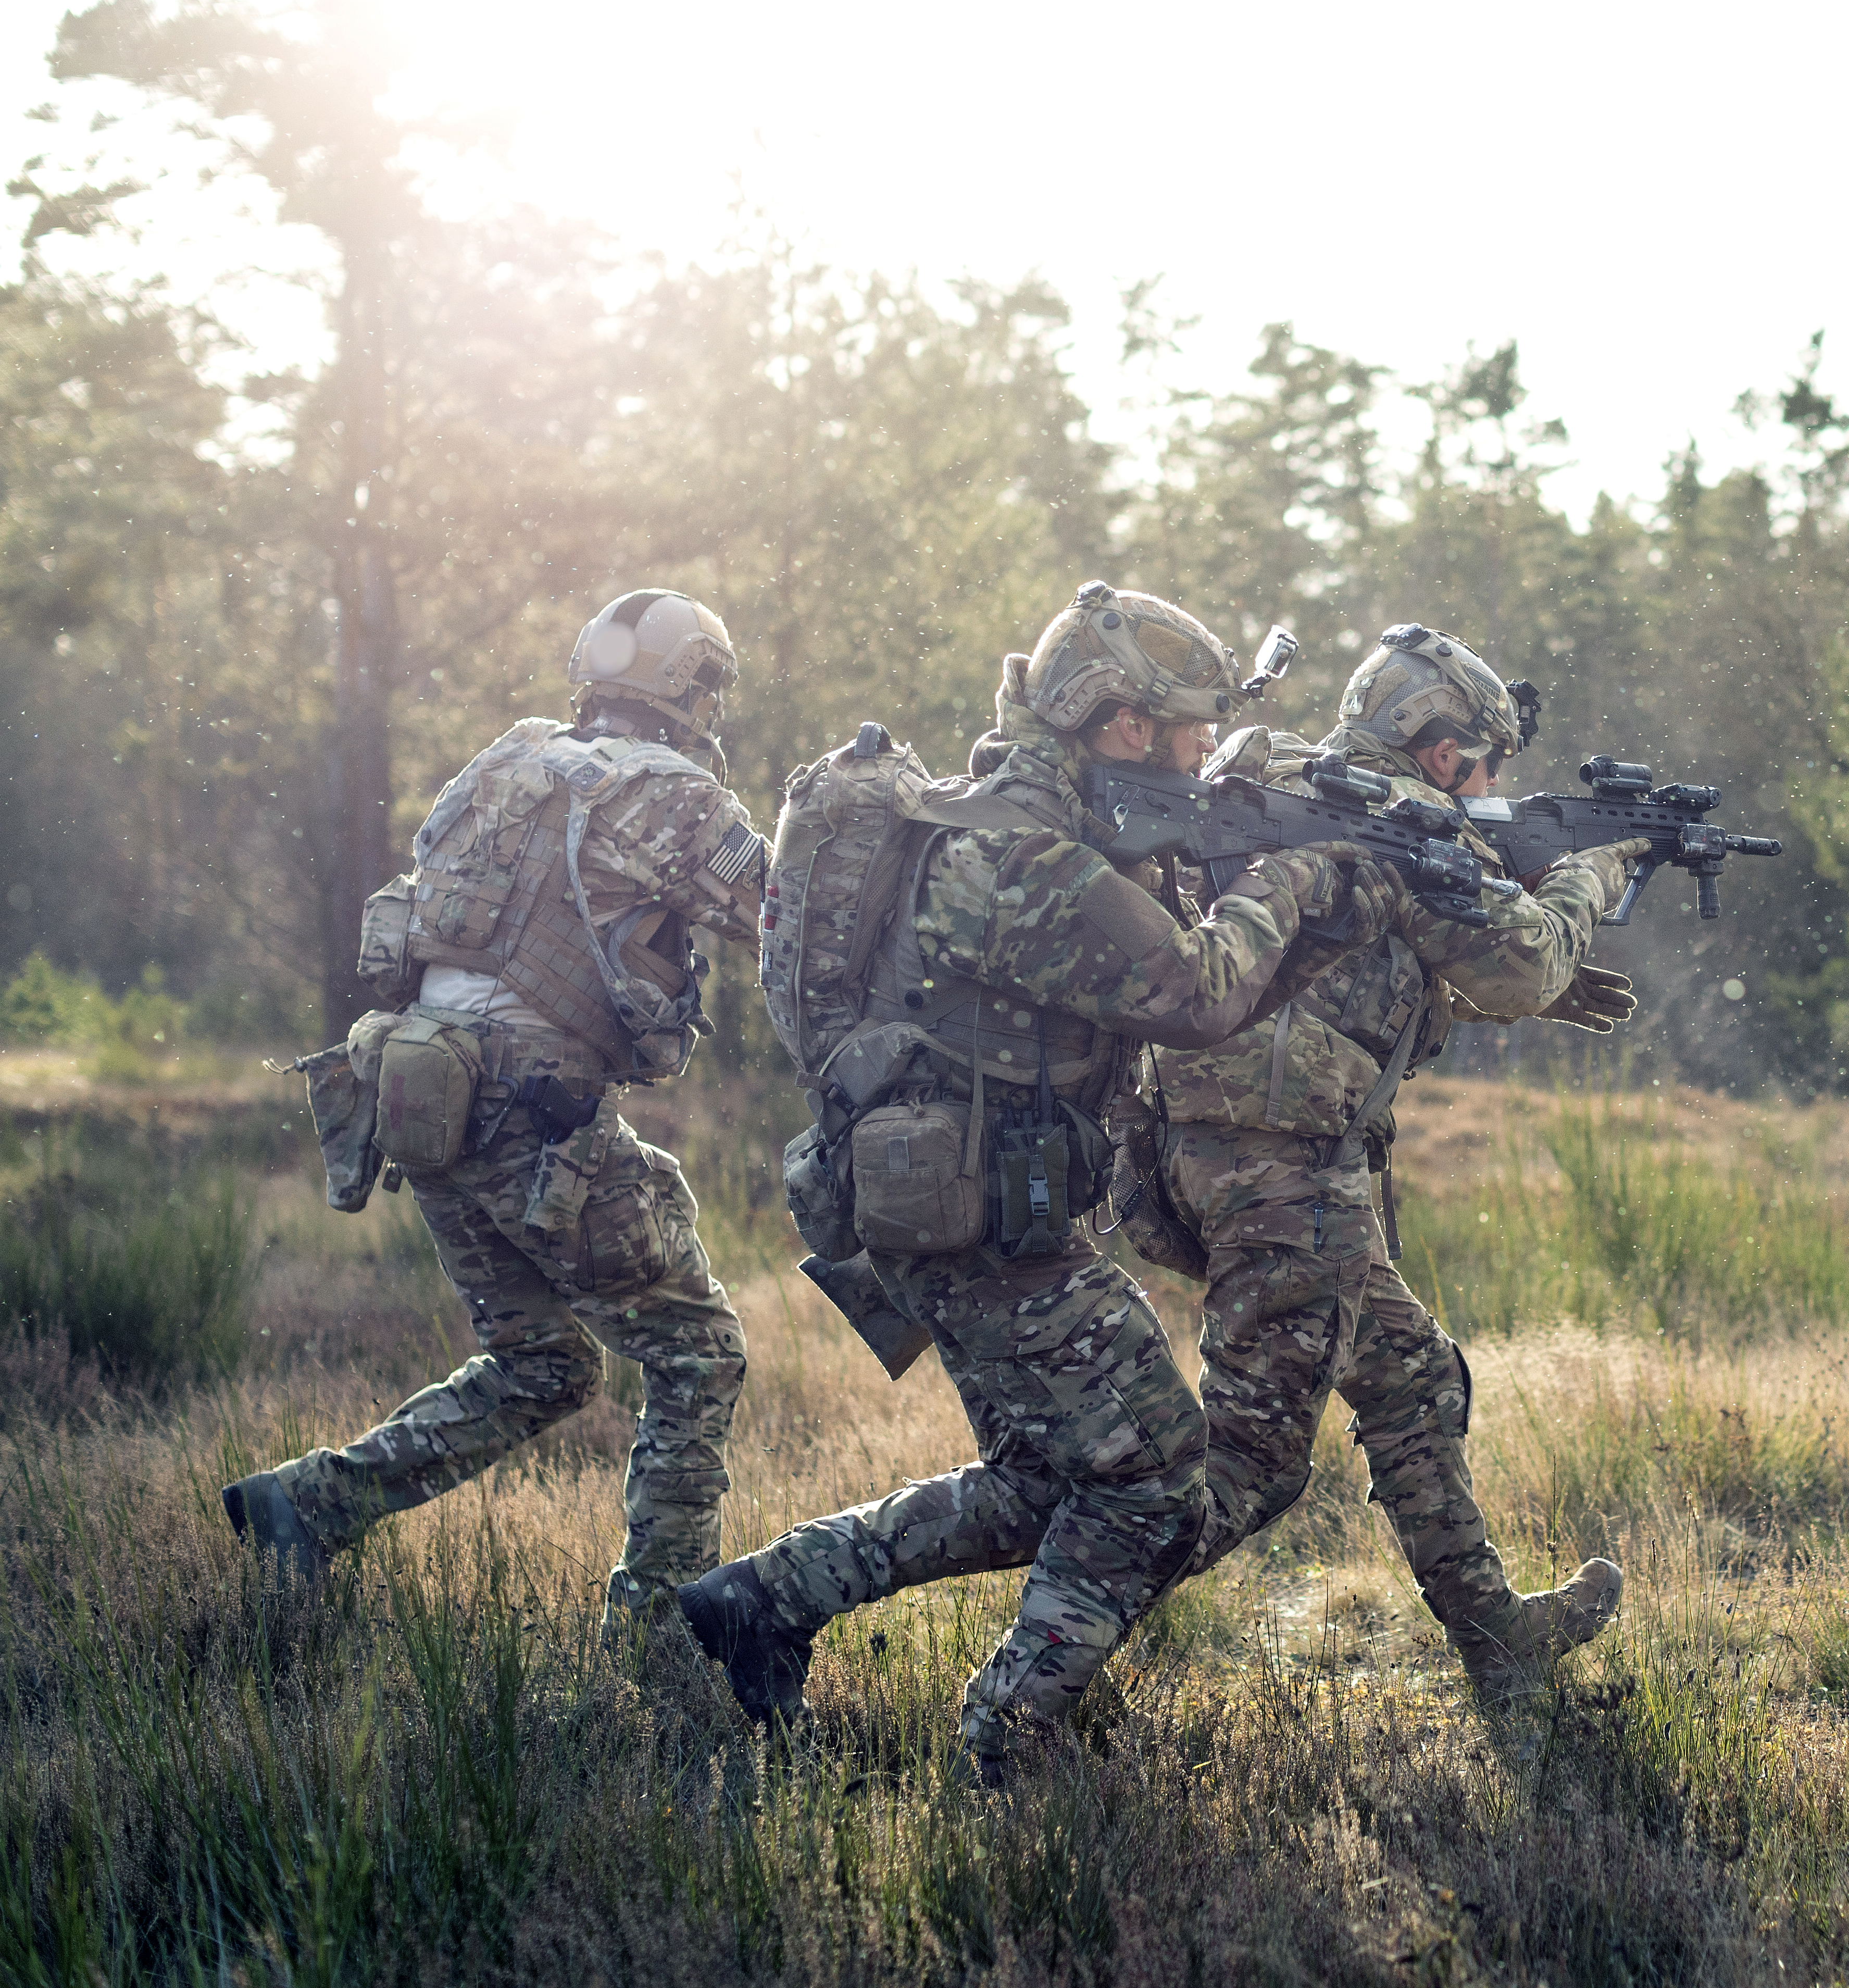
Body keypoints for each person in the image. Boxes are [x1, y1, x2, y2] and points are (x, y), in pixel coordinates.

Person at [674, 582, 1395, 1783]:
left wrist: (1293, 874)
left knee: (1038, 1485)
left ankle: (760, 1601)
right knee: (1161, 1478)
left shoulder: (1038, 826)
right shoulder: (1015, 859)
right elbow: (1203, 993)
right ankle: (1010, 1732)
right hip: (974, 1220)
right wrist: (1298, 881)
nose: (1203, 753)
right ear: (1121, 727)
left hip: (965, 1204)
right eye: (1190, 730)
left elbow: (1179, 988)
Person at [227, 590, 765, 1632]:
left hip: (419, 1092)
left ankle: (310, 1504)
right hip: (534, 1111)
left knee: (545, 1362)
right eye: (711, 689)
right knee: (698, 1352)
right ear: (691, 691)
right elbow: (784, 927)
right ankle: (657, 1630)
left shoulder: (507, 759)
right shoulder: (676, 795)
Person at [1128, 624, 1644, 1699]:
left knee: (1407, 1374)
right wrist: (1594, 875)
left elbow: (1342, 970)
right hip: (1283, 1176)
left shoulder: (1289, 787)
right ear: (1438, 747)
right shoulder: (1402, 824)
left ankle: (1494, 1636)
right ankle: (1021, 1644)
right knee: (1247, 1473)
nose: (1495, 782)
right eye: (1485, 758)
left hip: (1214, 1153)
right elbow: (1529, 959)